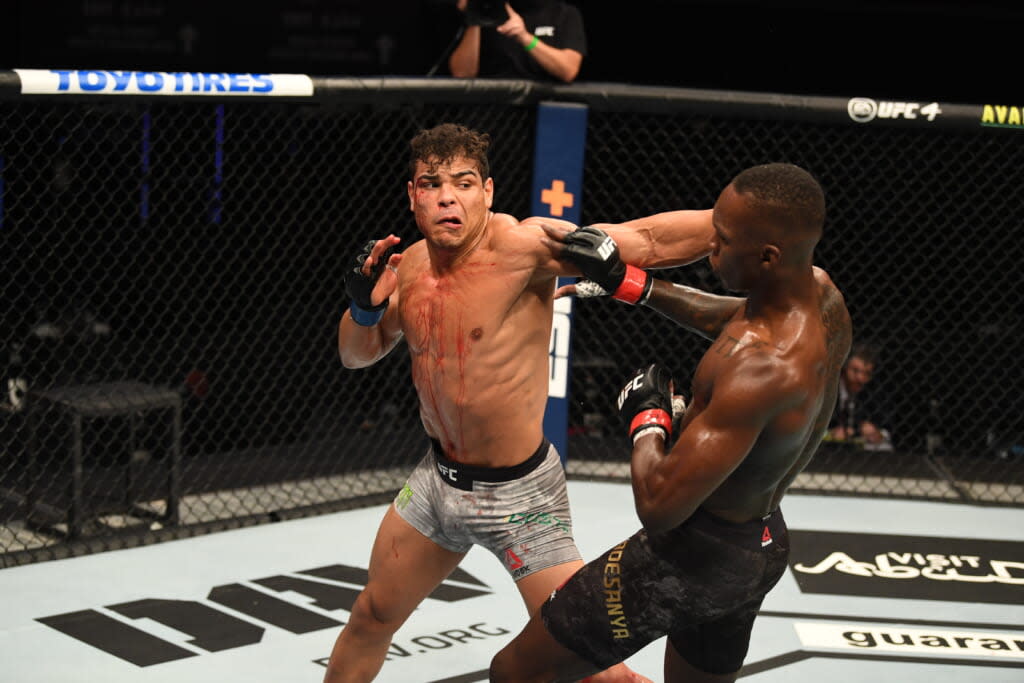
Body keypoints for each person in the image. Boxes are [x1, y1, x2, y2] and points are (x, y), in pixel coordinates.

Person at [323, 122, 712, 682]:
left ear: (487, 191)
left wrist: (735, 227)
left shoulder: (522, 248)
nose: (446, 197)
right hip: (437, 485)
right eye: (431, 184)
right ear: (412, 197)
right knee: (371, 614)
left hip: (521, 498)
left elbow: (647, 239)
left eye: (462, 182)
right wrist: (362, 309)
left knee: (597, 668)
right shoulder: (406, 268)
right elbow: (356, 356)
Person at [489, 162, 854, 682]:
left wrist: (648, 417)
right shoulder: (820, 297)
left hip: (691, 556)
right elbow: (729, 316)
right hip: (760, 546)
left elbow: (659, 505)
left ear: (768, 256)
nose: (711, 251)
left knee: (513, 673)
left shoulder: (760, 368)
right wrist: (627, 282)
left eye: (723, 242)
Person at [448, 0, 586, 83]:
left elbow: (568, 70)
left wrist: (525, 38)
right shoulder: (489, 10)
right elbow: (462, 74)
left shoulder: (564, 13)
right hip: (488, 115)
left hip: (542, 115)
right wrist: (475, 14)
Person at [827, 340, 893, 451]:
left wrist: (878, 433)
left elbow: (887, 427)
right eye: (855, 371)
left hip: (861, 447)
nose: (861, 379)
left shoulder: (873, 391)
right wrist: (830, 433)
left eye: (867, 373)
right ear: (844, 368)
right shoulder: (829, 390)